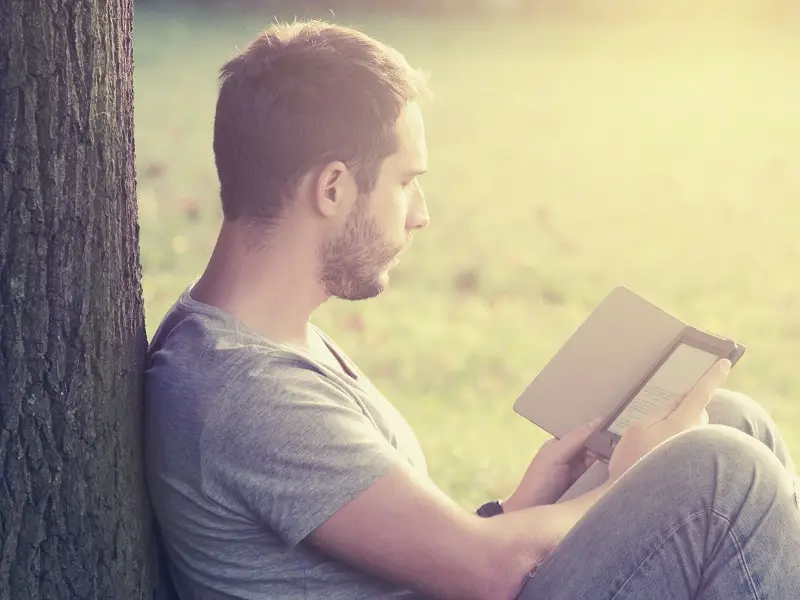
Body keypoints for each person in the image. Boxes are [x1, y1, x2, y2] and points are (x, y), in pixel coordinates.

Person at [143, 20, 800, 600]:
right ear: (334, 188)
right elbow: (487, 576)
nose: (422, 215)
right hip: (484, 581)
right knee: (720, 472)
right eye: (406, 183)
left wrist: (520, 505)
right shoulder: (246, 392)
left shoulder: (263, 342)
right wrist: (620, 485)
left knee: (731, 422)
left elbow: (409, 555)